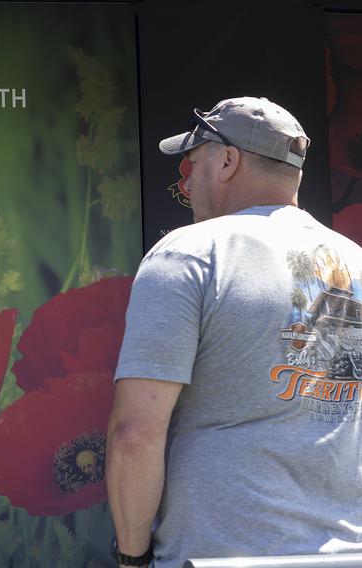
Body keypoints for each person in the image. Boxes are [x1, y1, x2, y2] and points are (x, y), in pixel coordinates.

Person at [106, 97, 362, 568]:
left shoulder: (191, 253)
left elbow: (135, 433)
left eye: (192, 161)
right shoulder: (355, 262)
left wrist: (132, 558)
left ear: (227, 160)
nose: (185, 180)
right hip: (346, 553)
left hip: (218, 554)